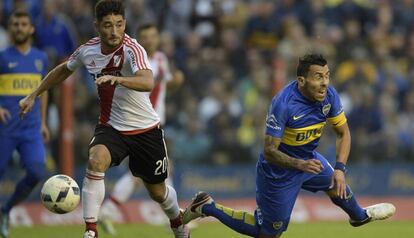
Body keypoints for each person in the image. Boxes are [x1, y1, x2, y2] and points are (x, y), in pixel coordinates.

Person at [19, 1, 189, 238]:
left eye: (119, 25)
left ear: (125, 24)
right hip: (112, 127)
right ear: (97, 25)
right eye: (108, 25)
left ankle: (179, 224)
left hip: (145, 129)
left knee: (158, 192)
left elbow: (147, 81)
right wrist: (34, 94)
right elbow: (63, 70)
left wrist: (118, 80)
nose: (114, 31)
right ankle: (91, 231)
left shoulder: (133, 49)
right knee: (96, 161)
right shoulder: (87, 50)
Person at [182, 54, 396, 238]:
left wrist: (340, 168)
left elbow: (344, 133)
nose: (324, 82)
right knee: (268, 232)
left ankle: (358, 216)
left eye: (327, 75)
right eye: (318, 77)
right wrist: (299, 165)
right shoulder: (283, 104)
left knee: (334, 181)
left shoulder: (329, 95)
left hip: (309, 158)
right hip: (278, 170)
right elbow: (269, 151)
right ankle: (206, 206)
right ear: (301, 80)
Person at [99, 23, 184, 234]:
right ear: (139, 39)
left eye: (153, 36)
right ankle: (174, 218)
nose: (149, 40)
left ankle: (174, 217)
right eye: (144, 37)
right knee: (144, 176)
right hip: (142, 126)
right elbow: (147, 85)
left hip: (154, 123)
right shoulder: (136, 61)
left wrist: (176, 82)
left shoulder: (162, 59)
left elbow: (163, 83)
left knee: (156, 173)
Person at [0, 10, 49, 238]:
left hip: (31, 128)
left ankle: (6, 209)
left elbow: (44, 90)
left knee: (36, 172)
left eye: (23, 24)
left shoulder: (41, 58)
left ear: (31, 29)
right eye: (15, 24)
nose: (19, 28)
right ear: (11, 29)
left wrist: (44, 122)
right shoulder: (2, 57)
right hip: (5, 128)